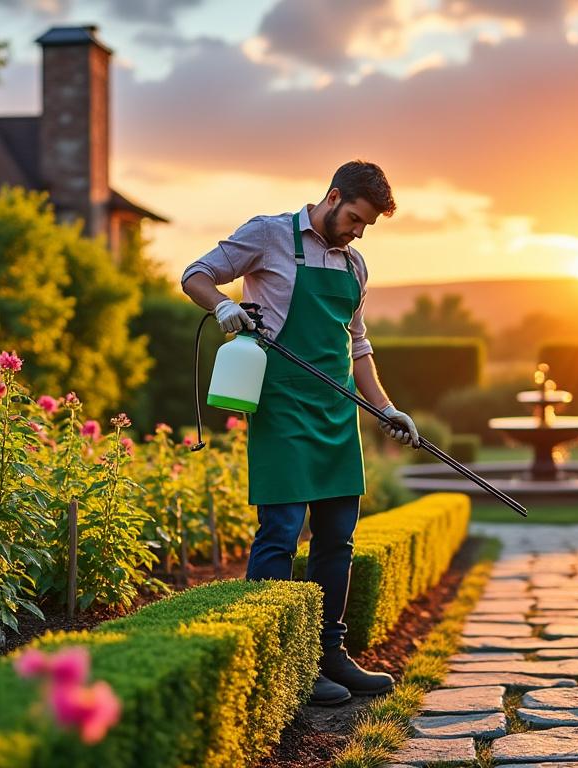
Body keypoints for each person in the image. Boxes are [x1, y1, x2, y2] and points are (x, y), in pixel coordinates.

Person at [180, 160, 419, 706]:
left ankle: (329, 653)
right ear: (334, 196)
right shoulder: (269, 235)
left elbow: (357, 347)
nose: (357, 232)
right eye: (355, 218)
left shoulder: (356, 266)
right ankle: (277, 659)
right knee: (281, 532)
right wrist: (222, 307)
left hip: (337, 412)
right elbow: (195, 272)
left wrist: (386, 409)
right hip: (282, 405)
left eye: (366, 226)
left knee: (337, 538)